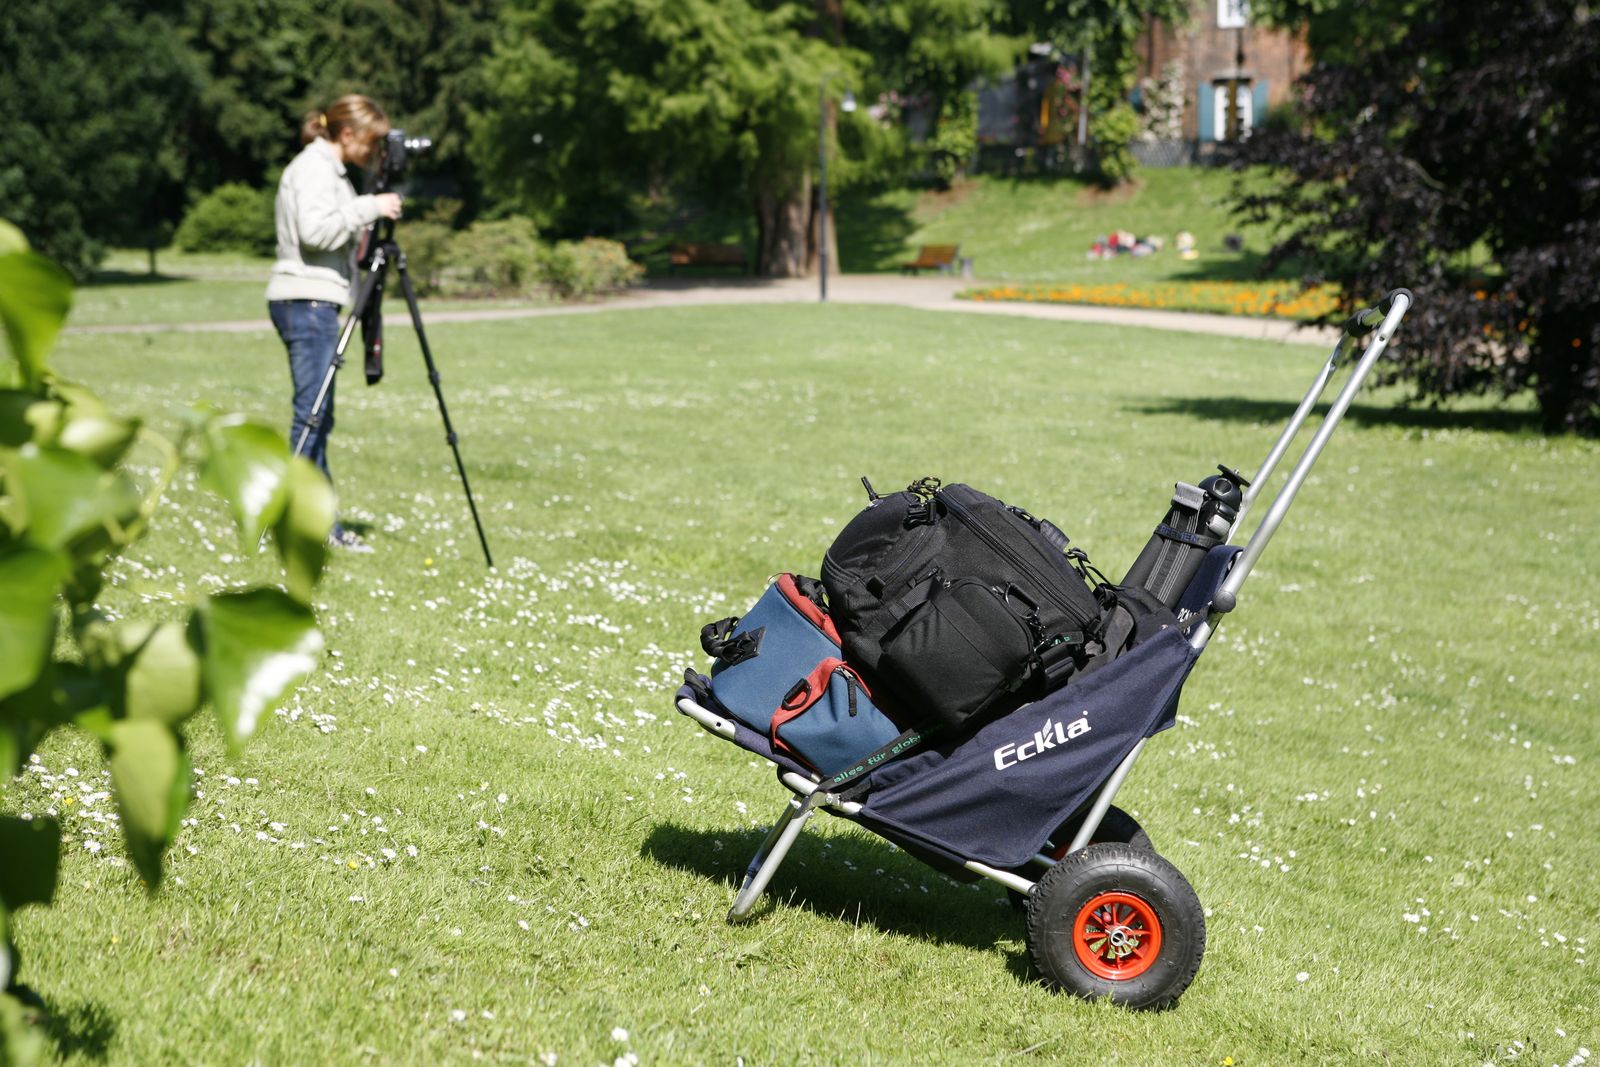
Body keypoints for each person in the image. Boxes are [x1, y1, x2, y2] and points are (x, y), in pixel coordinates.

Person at [266, 94, 403, 550]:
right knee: (311, 416)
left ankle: (321, 526)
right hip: (305, 300)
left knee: (317, 417)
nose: (375, 152)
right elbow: (316, 232)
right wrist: (371, 207)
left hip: (312, 301)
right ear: (348, 134)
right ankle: (280, 522)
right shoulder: (314, 168)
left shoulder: (328, 169)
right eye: (372, 142)